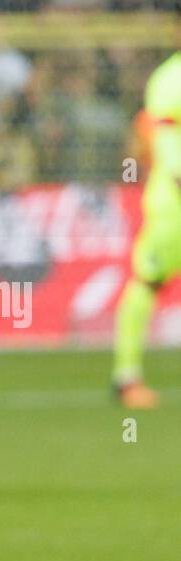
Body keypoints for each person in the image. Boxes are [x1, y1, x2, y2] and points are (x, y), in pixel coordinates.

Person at [112, 50, 181, 409]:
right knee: (149, 279)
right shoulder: (171, 79)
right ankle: (126, 378)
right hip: (175, 203)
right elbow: (161, 142)